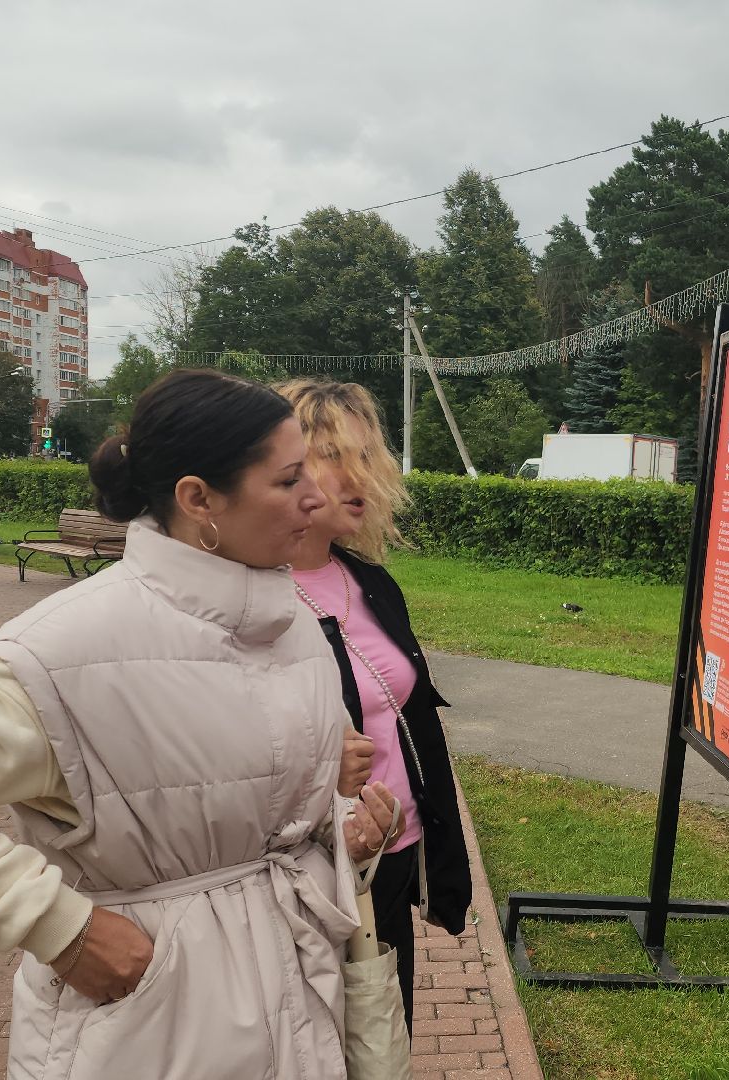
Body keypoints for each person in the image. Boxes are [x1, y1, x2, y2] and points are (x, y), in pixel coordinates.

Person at [0, 370, 401, 1078]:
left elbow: (268, 811)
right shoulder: (68, 646)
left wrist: (347, 830)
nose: (316, 496)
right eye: (287, 481)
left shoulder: (292, 625)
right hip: (150, 1027)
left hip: (301, 1002)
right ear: (198, 499)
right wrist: (63, 930)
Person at [278, 379, 471, 1031]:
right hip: (302, 877)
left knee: (385, 1040)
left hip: (388, 858)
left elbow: (416, 724)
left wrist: (444, 866)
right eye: (331, 453)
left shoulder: (370, 583)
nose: (358, 474)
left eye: (367, 453)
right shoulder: (248, 598)